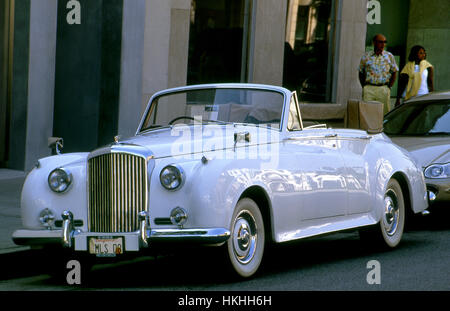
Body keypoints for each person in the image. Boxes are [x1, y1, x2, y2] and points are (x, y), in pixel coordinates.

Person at [358, 34, 398, 114]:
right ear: (374, 43)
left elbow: (394, 71)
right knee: (367, 112)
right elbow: (361, 72)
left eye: (384, 42)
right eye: (380, 42)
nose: (383, 44)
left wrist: (389, 87)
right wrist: (364, 86)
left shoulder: (389, 56)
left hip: (383, 88)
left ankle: (381, 127)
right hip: (369, 88)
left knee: (384, 113)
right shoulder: (366, 56)